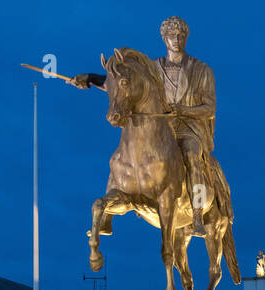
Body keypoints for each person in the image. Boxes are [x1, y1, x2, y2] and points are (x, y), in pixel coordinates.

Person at [70, 16, 217, 226]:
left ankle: (196, 213)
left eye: (180, 35)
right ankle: (110, 211)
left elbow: (209, 108)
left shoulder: (202, 70)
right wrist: (91, 78)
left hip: (186, 128)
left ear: (186, 37)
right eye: (171, 36)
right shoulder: (152, 68)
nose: (176, 39)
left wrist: (182, 110)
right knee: (123, 154)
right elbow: (122, 84)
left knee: (192, 154)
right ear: (164, 39)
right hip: (157, 128)